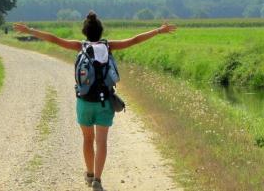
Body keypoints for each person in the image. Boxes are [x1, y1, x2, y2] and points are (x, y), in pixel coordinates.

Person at [13, 11, 176, 191]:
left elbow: (54, 39)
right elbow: (134, 40)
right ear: (101, 31)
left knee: (87, 139)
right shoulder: (109, 46)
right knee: (102, 142)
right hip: (105, 102)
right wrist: (158, 31)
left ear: (85, 32)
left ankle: (89, 174)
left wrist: (30, 30)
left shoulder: (79, 46)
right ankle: (98, 179)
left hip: (84, 102)